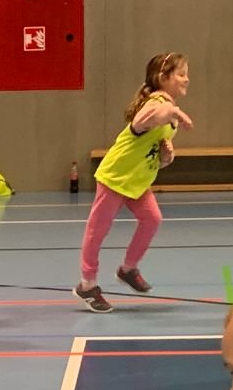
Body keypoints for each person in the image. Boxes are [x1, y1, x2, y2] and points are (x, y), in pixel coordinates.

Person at [77, 52, 192, 313]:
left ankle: (128, 269)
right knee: (97, 230)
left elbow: (151, 149)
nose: (187, 79)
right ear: (163, 78)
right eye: (181, 74)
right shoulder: (155, 103)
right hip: (116, 176)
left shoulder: (166, 109)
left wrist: (165, 157)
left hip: (138, 181)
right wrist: (176, 111)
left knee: (152, 219)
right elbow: (143, 120)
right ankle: (87, 284)